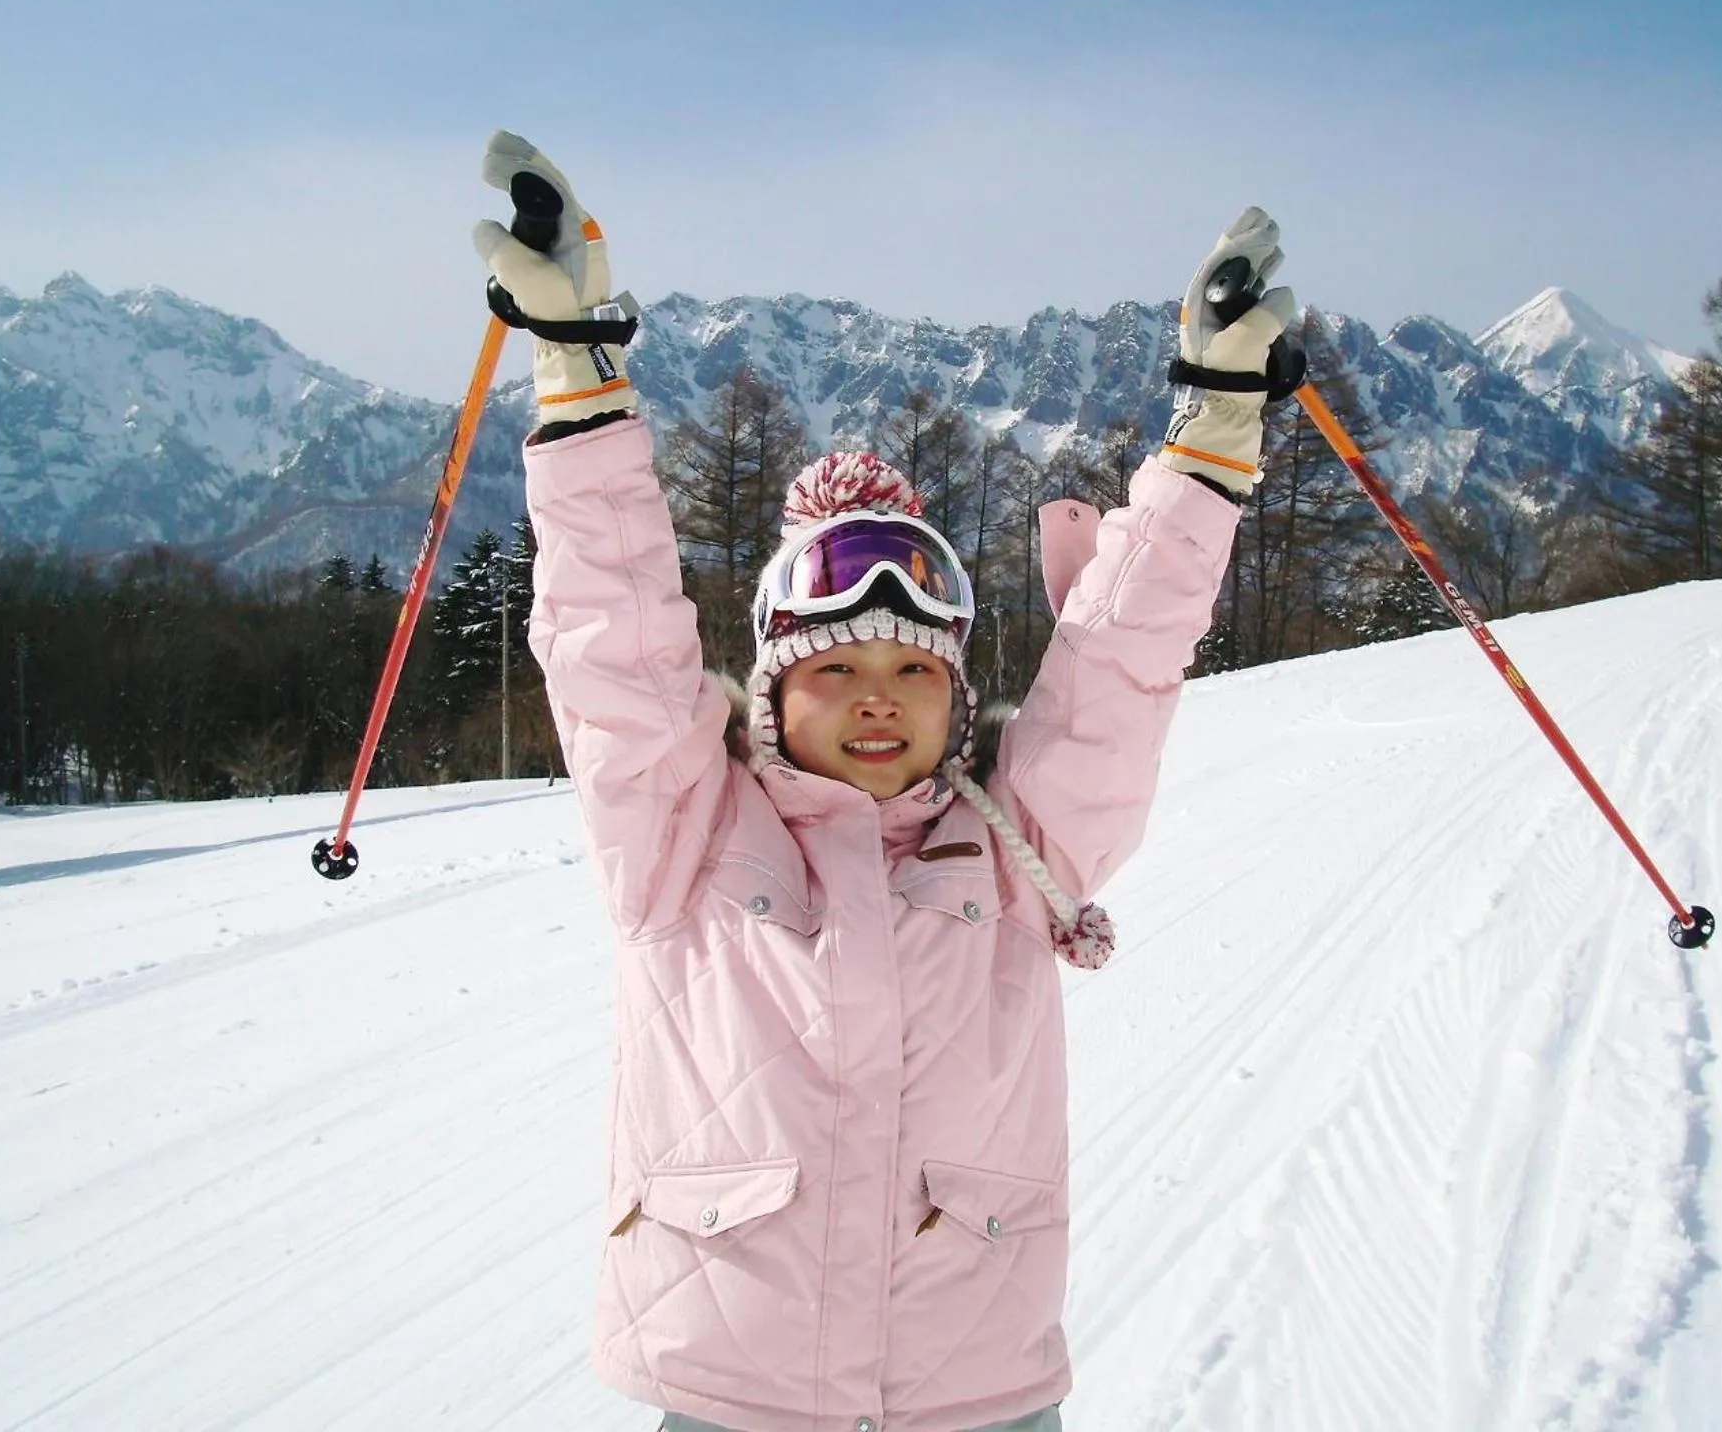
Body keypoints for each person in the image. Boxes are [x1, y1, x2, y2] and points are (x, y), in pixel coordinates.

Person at [475, 130, 1298, 1432]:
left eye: (915, 673)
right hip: (734, 1395)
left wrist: (1211, 439)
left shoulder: (1020, 848)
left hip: (972, 1394)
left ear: (960, 702)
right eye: (834, 667)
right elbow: (614, 639)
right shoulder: (683, 829)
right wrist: (578, 382)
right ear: (767, 689)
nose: (876, 696)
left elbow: (1120, 665)